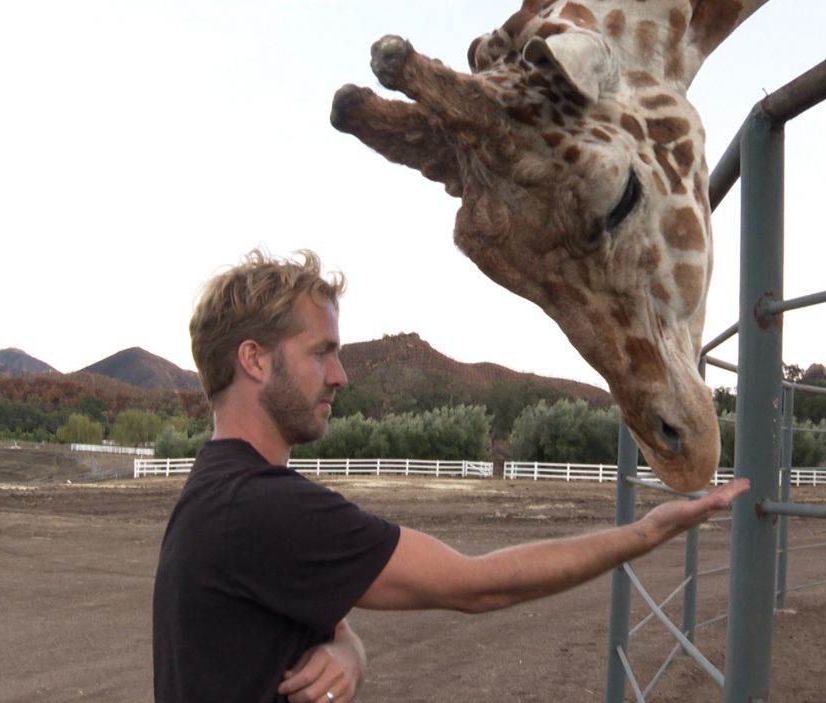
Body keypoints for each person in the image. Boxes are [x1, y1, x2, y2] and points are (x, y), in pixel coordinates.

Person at [152, 249, 749, 703]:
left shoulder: (217, 489)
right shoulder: (261, 508)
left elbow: (319, 609)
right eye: (320, 351)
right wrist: (647, 532)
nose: (340, 375)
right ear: (255, 360)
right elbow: (479, 585)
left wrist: (349, 649)